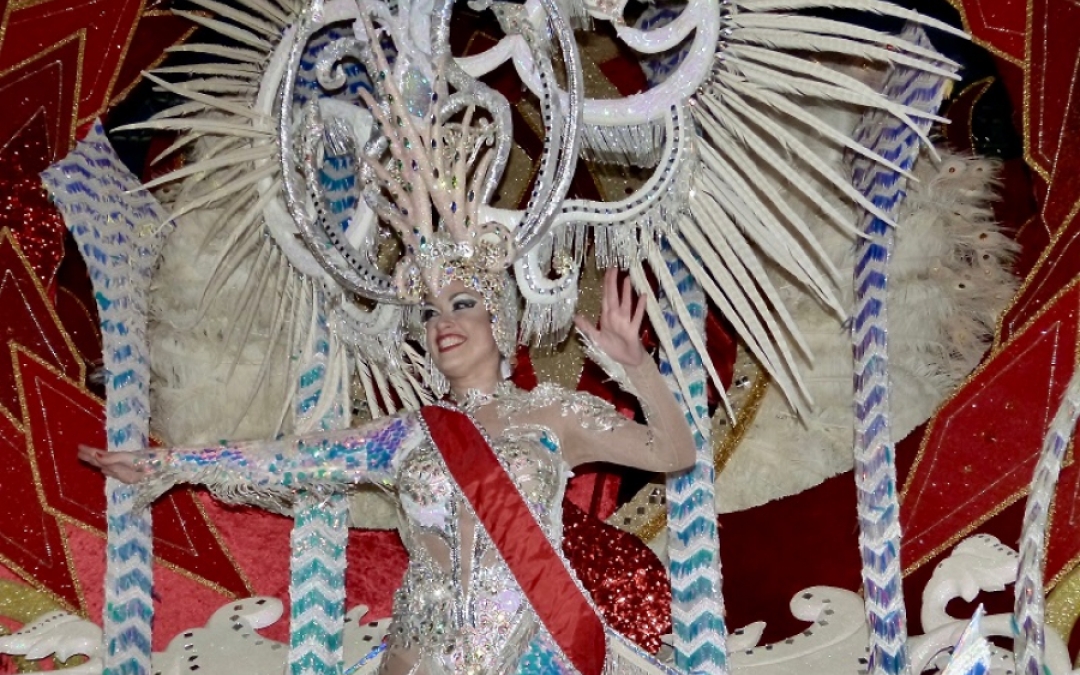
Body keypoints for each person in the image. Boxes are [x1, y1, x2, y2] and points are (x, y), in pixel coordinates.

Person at [80, 267, 696, 675]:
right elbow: (292, 455)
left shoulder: (553, 414)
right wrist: (171, 462)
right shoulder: (407, 434)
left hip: (536, 640)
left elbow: (673, 454)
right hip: (422, 651)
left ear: (499, 322)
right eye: (428, 313)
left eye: (461, 304)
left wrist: (637, 368)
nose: (442, 322)